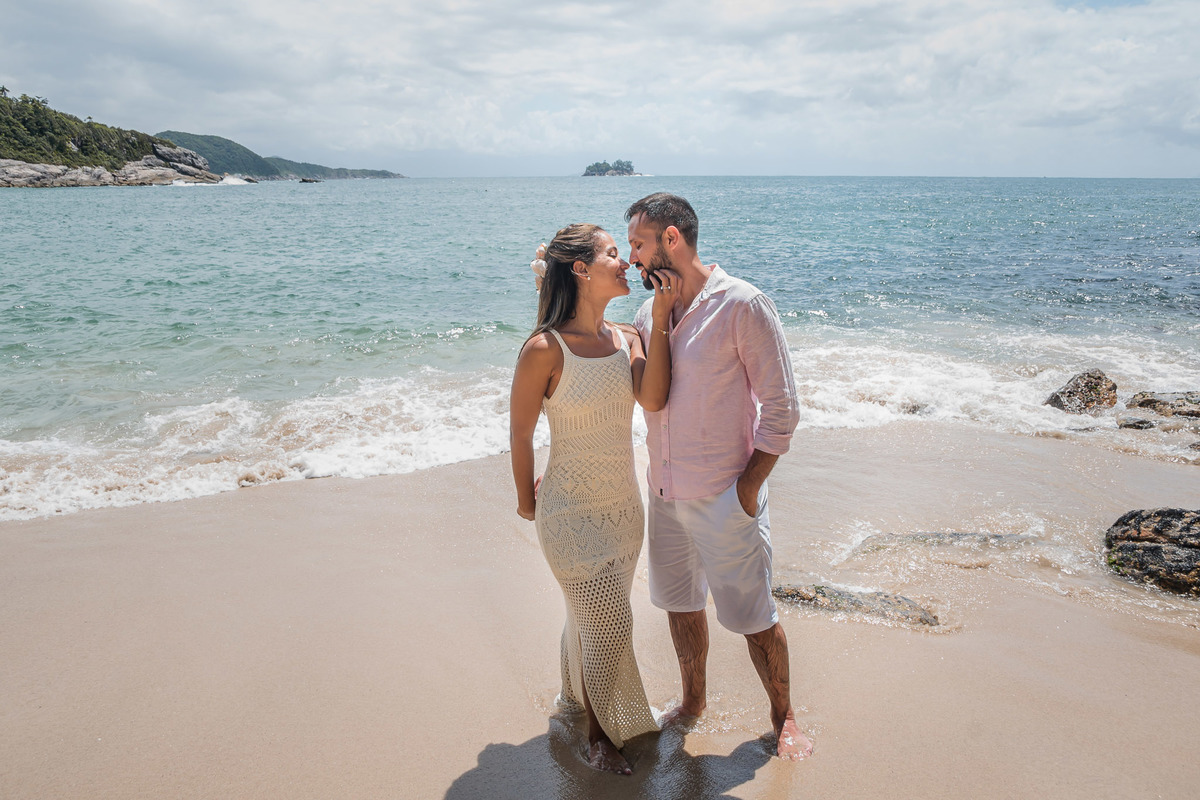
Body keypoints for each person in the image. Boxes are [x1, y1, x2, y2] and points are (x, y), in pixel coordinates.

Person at [625, 193, 813, 760]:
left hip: (726, 496)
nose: (633, 258)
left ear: (671, 240)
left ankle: (784, 718)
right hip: (664, 494)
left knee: (755, 617)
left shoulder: (743, 304)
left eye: (638, 244)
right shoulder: (647, 313)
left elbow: (782, 408)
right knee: (680, 605)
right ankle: (692, 702)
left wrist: (747, 489)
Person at [509, 223, 679, 775]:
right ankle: (600, 735)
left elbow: (653, 397)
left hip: (624, 512)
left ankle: (576, 699)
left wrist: (661, 314)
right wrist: (527, 502)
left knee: (588, 617)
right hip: (566, 513)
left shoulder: (627, 338)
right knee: (610, 622)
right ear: (581, 269)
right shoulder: (544, 349)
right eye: (612, 253)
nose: (625, 261)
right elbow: (520, 434)